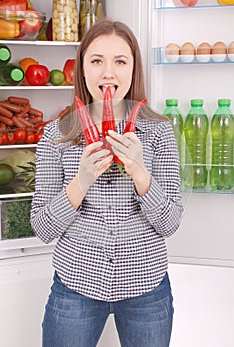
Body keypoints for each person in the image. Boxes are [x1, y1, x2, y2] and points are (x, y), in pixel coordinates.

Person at [30, 18, 183, 347]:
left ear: (134, 69)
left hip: (146, 287)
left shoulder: (159, 132)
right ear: (81, 68)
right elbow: (42, 227)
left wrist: (141, 174)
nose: (108, 73)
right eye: (97, 61)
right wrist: (80, 182)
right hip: (76, 286)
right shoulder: (55, 136)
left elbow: (170, 223)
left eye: (120, 61)